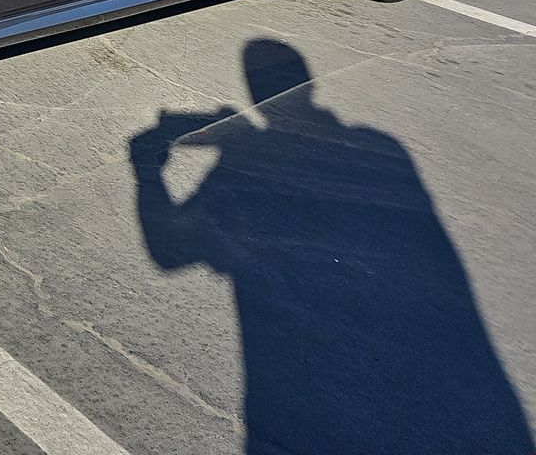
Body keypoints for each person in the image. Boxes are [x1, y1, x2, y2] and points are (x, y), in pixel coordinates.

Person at [129, 39, 532, 454]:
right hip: (442, 370)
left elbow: (169, 251)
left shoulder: (243, 160)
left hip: (296, 375)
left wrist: (147, 168)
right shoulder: (381, 145)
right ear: (310, 84)